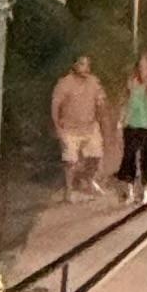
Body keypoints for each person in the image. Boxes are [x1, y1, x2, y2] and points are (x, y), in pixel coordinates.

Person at [51, 54, 108, 200]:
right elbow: (55, 106)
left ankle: (88, 180)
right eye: (82, 64)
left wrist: (102, 116)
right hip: (69, 129)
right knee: (70, 161)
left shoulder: (93, 82)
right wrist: (57, 127)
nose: (86, 68)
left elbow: (101, 102)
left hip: (90, 127)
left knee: (96, 157)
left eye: (88, 64)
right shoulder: (64, 83)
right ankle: (69, 191)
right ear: (74, 65)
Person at [118, 52, 147, 204]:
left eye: (146, 67)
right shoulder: (130, 83)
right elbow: (125, 102)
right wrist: (121, 120)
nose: (143, 70)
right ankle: (129, 191)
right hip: (132, 125)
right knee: (129, 157)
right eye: (141, 67)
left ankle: (145, 189)